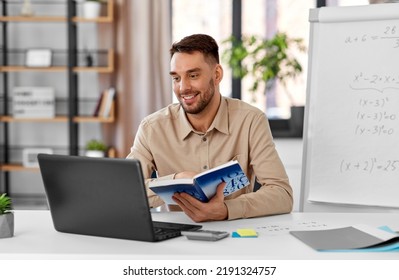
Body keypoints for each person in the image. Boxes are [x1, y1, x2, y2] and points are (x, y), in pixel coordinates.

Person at [127, 34, 293, 222]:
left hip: (236, 236)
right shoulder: (152, 128)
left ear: (217, 75)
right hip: (178, 240)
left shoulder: (251, 120)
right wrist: (175, 181)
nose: (183, 88)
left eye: (193, 75)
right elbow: (125, 191)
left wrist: (227, 209)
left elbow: (282, 194)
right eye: (176, 78)